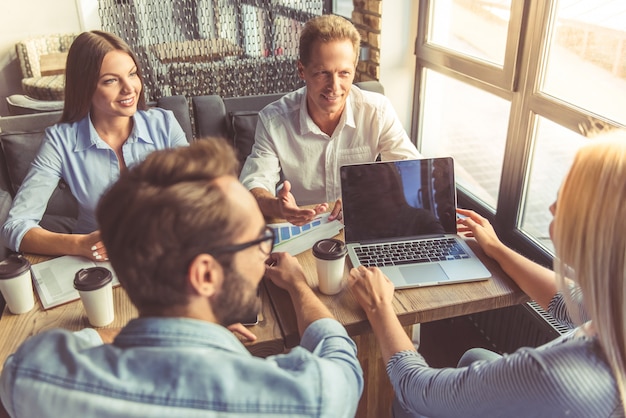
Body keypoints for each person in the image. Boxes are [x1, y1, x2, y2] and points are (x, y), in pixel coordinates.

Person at [0, 139, 363, 417]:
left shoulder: (35, 374)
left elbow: (30, 362)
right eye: (259, 240)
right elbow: (343, 361)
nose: (265, 252)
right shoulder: (306, 395)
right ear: (205, 275)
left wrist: (187, 326)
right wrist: (299, 284)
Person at [348, 134, 626, 417]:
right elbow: (570, 299)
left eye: (566, 195)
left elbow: (415, 387)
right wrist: (495, 248)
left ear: (596, 232)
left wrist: (379, 307)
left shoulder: (550, 376)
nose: (552, 207)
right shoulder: (616, 309)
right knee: (474, 357)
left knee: (404, 404)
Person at [1, 31, 188, 260]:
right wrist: (80, 244)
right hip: (96, 265)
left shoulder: (165, 124)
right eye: (111, 80)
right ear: (85, 87)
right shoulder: (60, 140)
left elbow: (202, 194)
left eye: (132, 74)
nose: (129, 88)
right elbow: (15, 227)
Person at [239, 14, 420, 226]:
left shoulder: (378, 111)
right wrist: (276, 206)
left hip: (363, 222)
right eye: (322, 73)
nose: (334, 87)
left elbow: (413, 170)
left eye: (344, 73)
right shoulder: (273, 120)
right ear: (302, 70)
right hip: (302, 225)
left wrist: (371, 196)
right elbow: (254, 184)